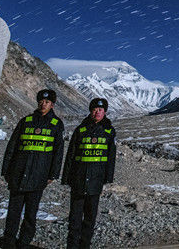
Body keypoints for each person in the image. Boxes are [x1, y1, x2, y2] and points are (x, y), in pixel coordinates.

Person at [1, 89, 65, 249]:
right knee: (13, 212)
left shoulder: (57, 125)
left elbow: (58, 152)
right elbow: (12, 146)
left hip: (39, 175)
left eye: (47, 102)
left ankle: (23, 243)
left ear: (52, 105)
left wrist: (53, 174)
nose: (43, 104)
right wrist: (6, 169)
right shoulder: (26, 121)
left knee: (31, 213)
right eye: (41, 101)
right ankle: (8, 242)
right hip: (18, 172)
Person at [62, 97, 116, 249]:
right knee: (74, 219)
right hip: (78, 180)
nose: (97, 112)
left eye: (100, 110)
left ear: (104, 112)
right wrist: (67, 177)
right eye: (94, 109)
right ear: (90, 111)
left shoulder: (109, 131)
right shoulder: (81, 130)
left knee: (90, 219)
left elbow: (111, 157)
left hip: (95, 181)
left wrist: (107, 179)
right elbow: (71, 155)